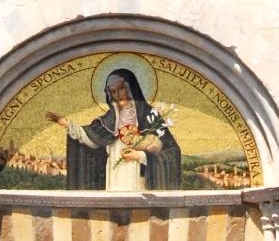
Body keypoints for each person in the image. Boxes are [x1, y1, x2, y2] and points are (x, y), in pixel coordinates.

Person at [47, 68, 181, 192]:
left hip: (139, 176)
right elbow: (88, 137)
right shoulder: (109, 119)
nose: (118, 94)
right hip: (115, 174)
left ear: (131, 88)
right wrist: (65, 123)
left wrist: (141, 156)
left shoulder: (149, 116)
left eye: (121, 88)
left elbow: (172, 152)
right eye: (113, 91)